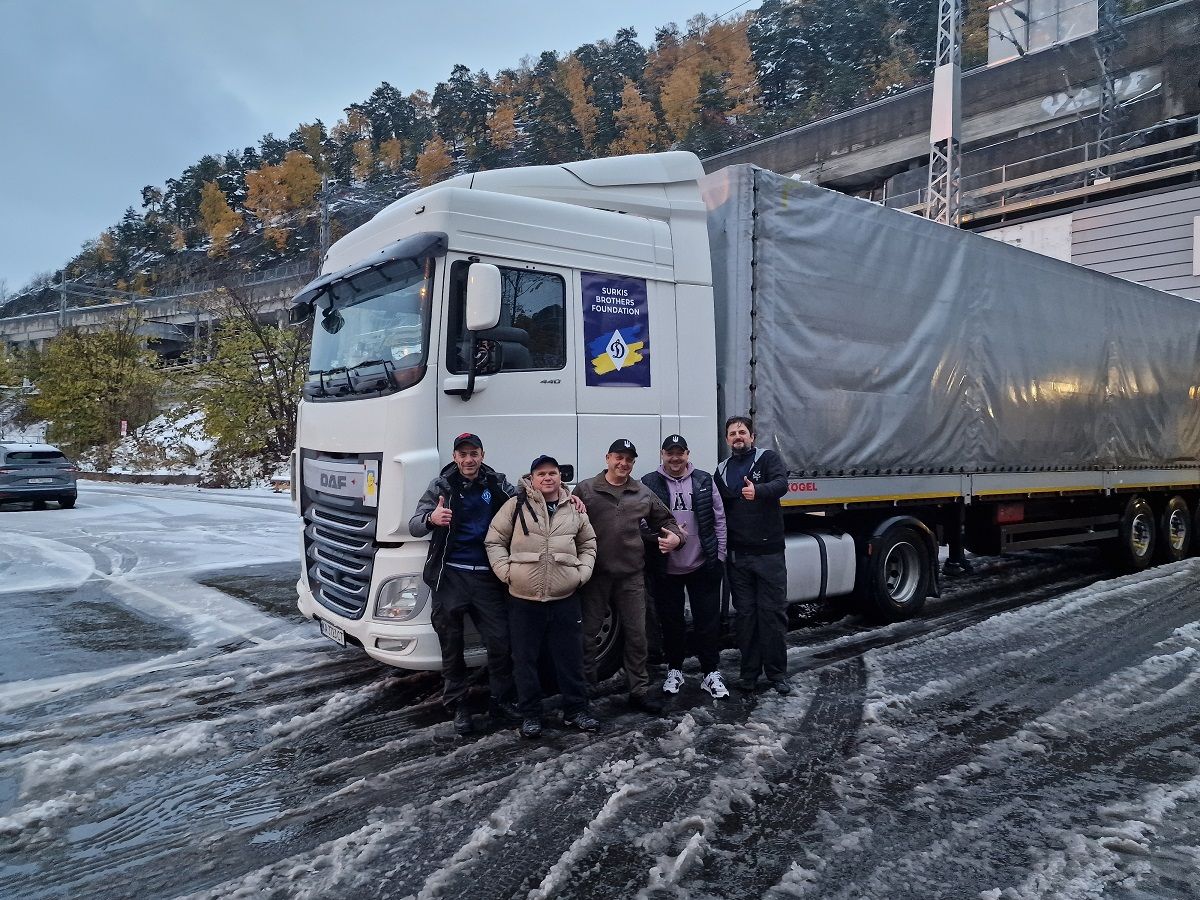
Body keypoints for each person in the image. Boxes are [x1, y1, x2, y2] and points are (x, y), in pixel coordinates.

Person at [408, 433, 520, 735]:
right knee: (452, 646)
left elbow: (527, 504)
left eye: (474, 453)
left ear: (482, 454)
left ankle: (500, 701)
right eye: (463, 454)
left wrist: (566, 496)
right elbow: (414, 525)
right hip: (451, 577)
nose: (468, 460)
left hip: (487, 576)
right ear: (455, 457)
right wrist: (432, 518)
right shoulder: (441, 486)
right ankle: (459, 706)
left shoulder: (497, 484)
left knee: (500, 642)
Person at [485, 455, 600, 738]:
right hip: (523, 599)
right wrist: (506, 572)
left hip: (565, 598)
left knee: (570, 658)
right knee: (525, 660)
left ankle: (576, 710)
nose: (548, 478)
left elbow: (588, 543)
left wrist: (581, 573)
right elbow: (494, 540)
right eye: (542, 474)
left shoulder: (574, 507)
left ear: (560, 477)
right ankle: (531, 715)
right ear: (532, 478)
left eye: (553, 473)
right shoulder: (515, 506)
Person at [573, 439, 685, 715]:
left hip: (631, 576)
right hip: (595, 576)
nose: (623, 464)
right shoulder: (586, 490)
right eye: (618, 458)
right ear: (607, 457)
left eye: (629, 460)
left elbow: (667, 520)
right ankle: (583, 693)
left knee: (638, 636)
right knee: (587, 635)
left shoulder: (642, 492)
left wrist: (677, 538)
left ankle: (639, 690)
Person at [641, 434, 729, 699]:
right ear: (662, 454)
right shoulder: (649, 483)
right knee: (671, 623)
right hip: (666, 567)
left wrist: (720, 556)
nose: (675, 458)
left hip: (702, 564)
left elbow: (719, 519)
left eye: (680, 453)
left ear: (687, 454)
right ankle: (675, 669)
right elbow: (641, 523)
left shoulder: (704, 480)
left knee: (707, 622)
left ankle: (710, 672)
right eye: (670, 453)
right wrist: (662, 537)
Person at [714, 416, 792, 695]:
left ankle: (777, 674)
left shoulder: (767, 458)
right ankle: (748, 675)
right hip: (738, 558)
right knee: (746, 618)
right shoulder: (721, 471)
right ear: (726, 440)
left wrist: (757, 491)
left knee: (772, 615)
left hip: (769, 555)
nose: (738, 436)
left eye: (742, 432)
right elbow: (717, 510)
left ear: (752, 436)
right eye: (732, 433)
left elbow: (782, 484)